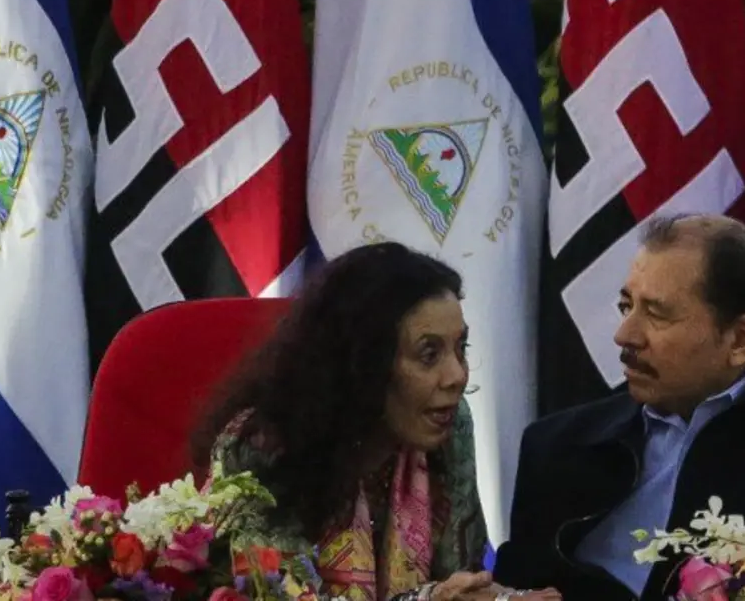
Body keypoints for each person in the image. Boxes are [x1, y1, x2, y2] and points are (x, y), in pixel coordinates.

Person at [493, 215, 745, 600]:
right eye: (626, 306)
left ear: (741, 339)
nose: (624, 335)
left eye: (656, 314)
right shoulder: (554, 447)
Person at [191, 243, 560, 601]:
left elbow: (460, 579)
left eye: (460, 348)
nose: (457, 375)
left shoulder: (451, 425)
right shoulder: (261, 448)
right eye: (429, 354)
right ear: (364, 363)